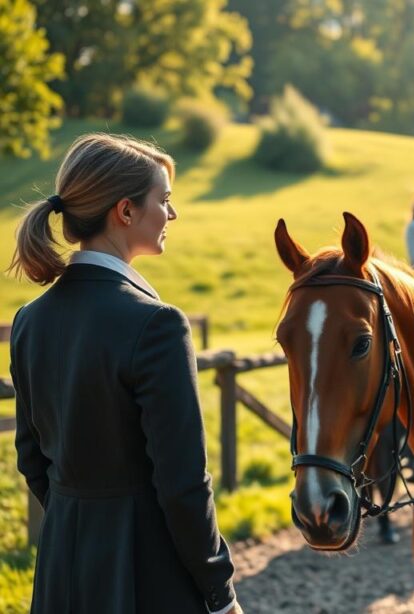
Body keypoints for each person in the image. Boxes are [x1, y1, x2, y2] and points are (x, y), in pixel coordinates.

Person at [8, 134, 241, 614]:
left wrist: (84, 524)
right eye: (165, 200)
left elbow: (32, 459)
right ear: (126, 212)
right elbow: (183, 484)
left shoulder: (31, 320)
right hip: (146, 577)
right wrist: (220, 593)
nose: (172, 215)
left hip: (61, 572)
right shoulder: (157, 324)